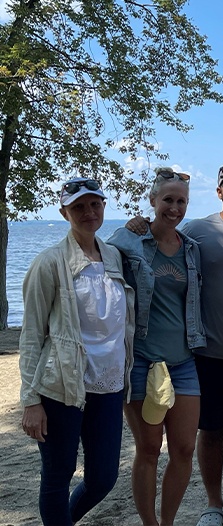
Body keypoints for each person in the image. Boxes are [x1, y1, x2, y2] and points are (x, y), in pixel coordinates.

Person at [124, 161, 223, 526]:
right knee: (210, 432)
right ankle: (213, 504)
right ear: (219, 191)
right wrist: (136, 225)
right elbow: (156, 239)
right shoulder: (197, 231)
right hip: (205, 353)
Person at [19, 177, 135, 526]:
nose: (88, 212)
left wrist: (139, 224)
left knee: (103, 477)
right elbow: (31, 335)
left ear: (103, 207)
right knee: (58, 475)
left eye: (95, 204)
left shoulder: (113, 254)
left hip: (110, 385)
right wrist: (30, 400)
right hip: (62, 386)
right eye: (79, 207)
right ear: (64, 212)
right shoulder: (49, 262)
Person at [109, 167, 205, 526]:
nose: (175, 208)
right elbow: (97, 258)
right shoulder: (128, 240)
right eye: (168, 200)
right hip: (141, 362)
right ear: (152, 202)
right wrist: (128, 225)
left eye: (181, 201)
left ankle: (167, 523)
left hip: (183, 363)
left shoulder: (191, 250)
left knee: (183, 450)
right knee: (149, 450)